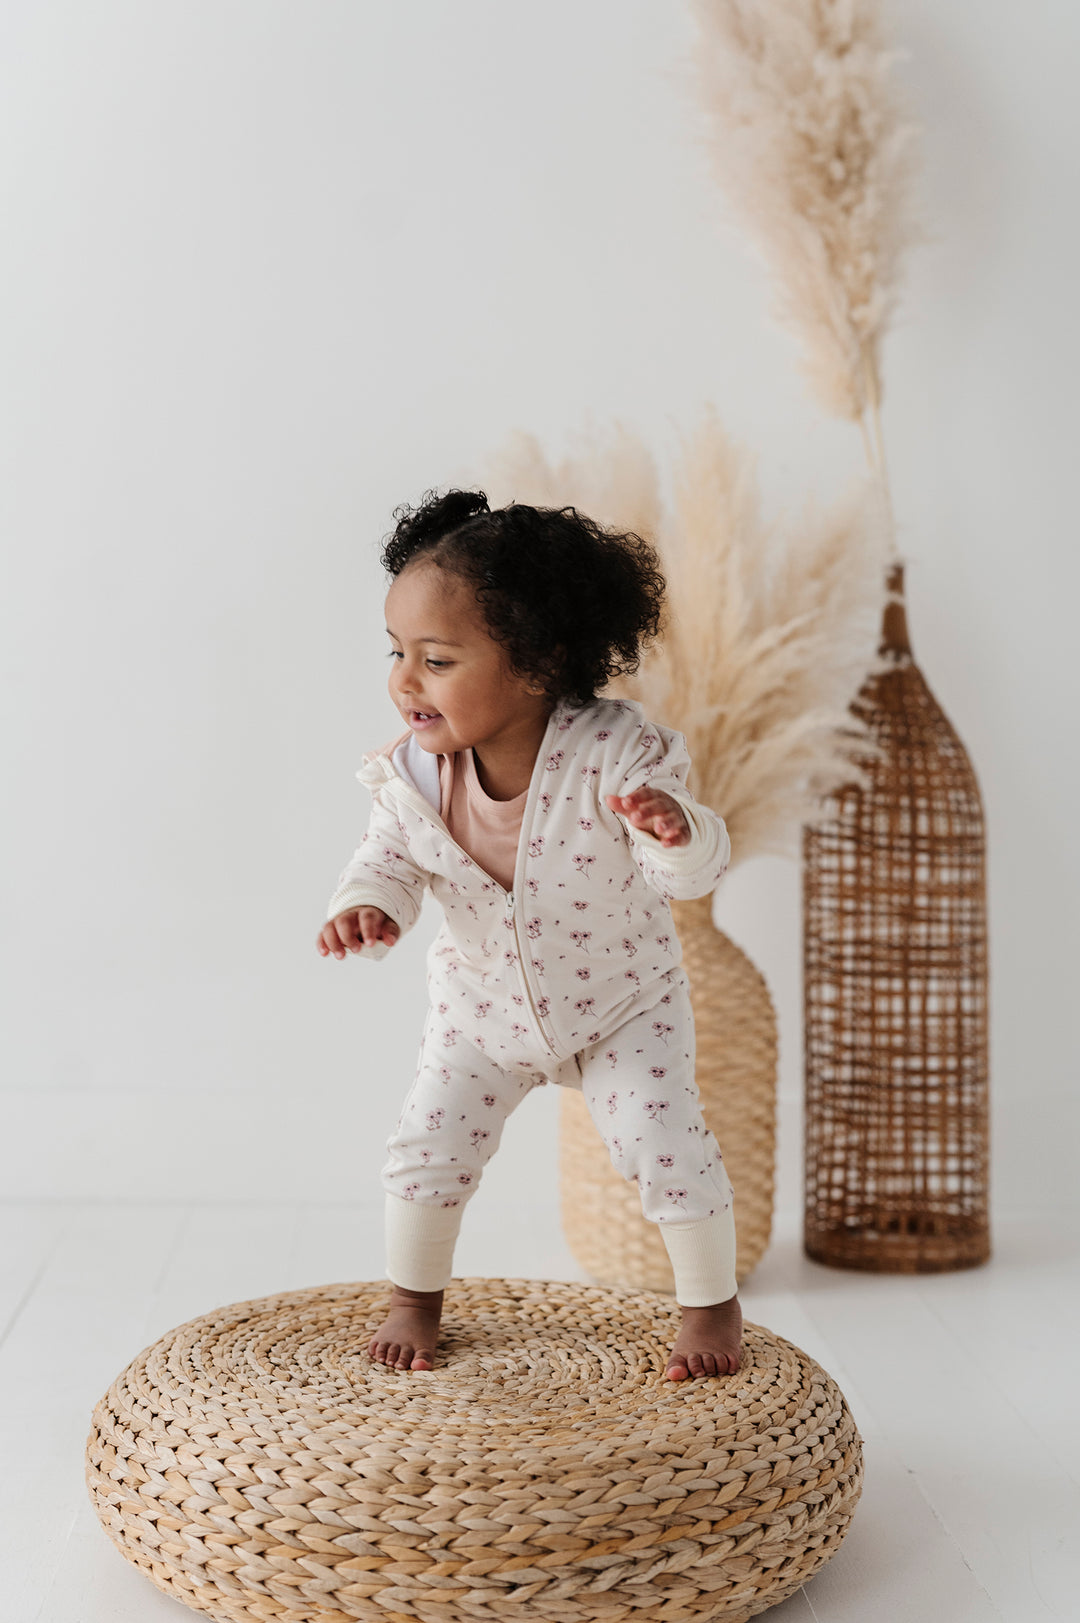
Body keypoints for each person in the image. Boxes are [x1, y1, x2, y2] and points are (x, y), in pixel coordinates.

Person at [316, 488, 742, 1381]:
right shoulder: (412, 775)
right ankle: (414, 1298)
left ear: (541, 662)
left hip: (622, 1003)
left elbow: (692, 873)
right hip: (481, 1011)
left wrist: (675, 830)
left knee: (665, 1145)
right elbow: (387, 854)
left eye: (436, 659)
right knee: (428, 1140)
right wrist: (369, 903)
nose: (404, 681)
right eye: (396, 653)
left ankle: (709, 1307)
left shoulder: (620, 754)